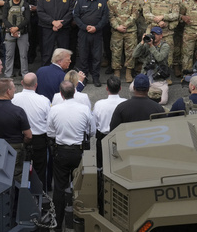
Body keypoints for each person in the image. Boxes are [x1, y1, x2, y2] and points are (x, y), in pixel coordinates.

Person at [47, 80, 93, 232]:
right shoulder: (84, 109)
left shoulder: (54, 110)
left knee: (59, 188)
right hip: (79, 152)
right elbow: (91, 131)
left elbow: (50, 133)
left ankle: (57, 223)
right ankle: (78, 222)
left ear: (61, 94)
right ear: (74, 92)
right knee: (79, 188)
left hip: (61, 151)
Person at [0, 78, 32, 178]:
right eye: (14, 88)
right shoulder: (18, 111)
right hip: (15, 149)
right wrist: (22, 143)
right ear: (8, 91)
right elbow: (29, 136)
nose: (15, 90)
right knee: (15, 176)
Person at [12, 72, 51, 191]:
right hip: (39, 139)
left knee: (18, 170)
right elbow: (49, 121)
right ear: (36, 85)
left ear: (22, 83)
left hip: (20, 138)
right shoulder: (44, 101)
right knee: (40, 170)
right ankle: (40, 196)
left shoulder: (14, 98)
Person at [73, 0, 109, 87]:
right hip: (84, 33)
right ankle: (83, 78)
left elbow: (105, 18)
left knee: (96, 57)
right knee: (83, 56)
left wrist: (96, 27)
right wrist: (85, 27)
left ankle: (96, 77)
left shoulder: (102, 2)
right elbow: (76, 16)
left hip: (97, 33)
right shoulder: (80, 1)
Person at [36, 0, 75, 66]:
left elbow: (71, 10)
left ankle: (63, 74)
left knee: (63, 52)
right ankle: (46, 73)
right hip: (48, 28)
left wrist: (62, 23)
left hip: (63, 28)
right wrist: (52, 22)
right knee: (47, 52)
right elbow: (40, 11)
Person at [108, 0, 139, 82]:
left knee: (131, 52)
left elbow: (135, 14)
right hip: (117, 30)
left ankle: (128, 72)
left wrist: (125, 25)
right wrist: (117, 26)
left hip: (130, 30)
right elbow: (110, 16)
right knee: (116, 51)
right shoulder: (112, 0)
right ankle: (116, 71)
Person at [93, 76, 126, 169]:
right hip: (120, 138)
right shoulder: (125, 103)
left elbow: (94, 123)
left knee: (101, 166)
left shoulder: (99, 104)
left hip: (103, 137)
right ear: (120, 88)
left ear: (107, 88)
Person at [132, 26, 170, 105]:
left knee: (163, 101)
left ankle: (147, 95)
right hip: (146, 74)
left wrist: (151, 46)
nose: (154, 36)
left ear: (161, 36)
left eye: (156, 34)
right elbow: (135, 55)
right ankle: (148, 94)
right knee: (131, 88)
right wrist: (142, 42)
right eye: (152, 34)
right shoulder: (147, 44)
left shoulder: (165, 46)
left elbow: (159, 58)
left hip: (158, 77)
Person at [3, 0, 30, 78]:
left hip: (22, 32)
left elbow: (27, 19)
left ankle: (25, 74)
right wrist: (11, 28)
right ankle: (8, 74)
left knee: (23, 55)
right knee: (9, 54)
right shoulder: (7, 4)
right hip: (9, 32)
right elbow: (4, 18)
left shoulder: (25, 4)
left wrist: (17, 28)